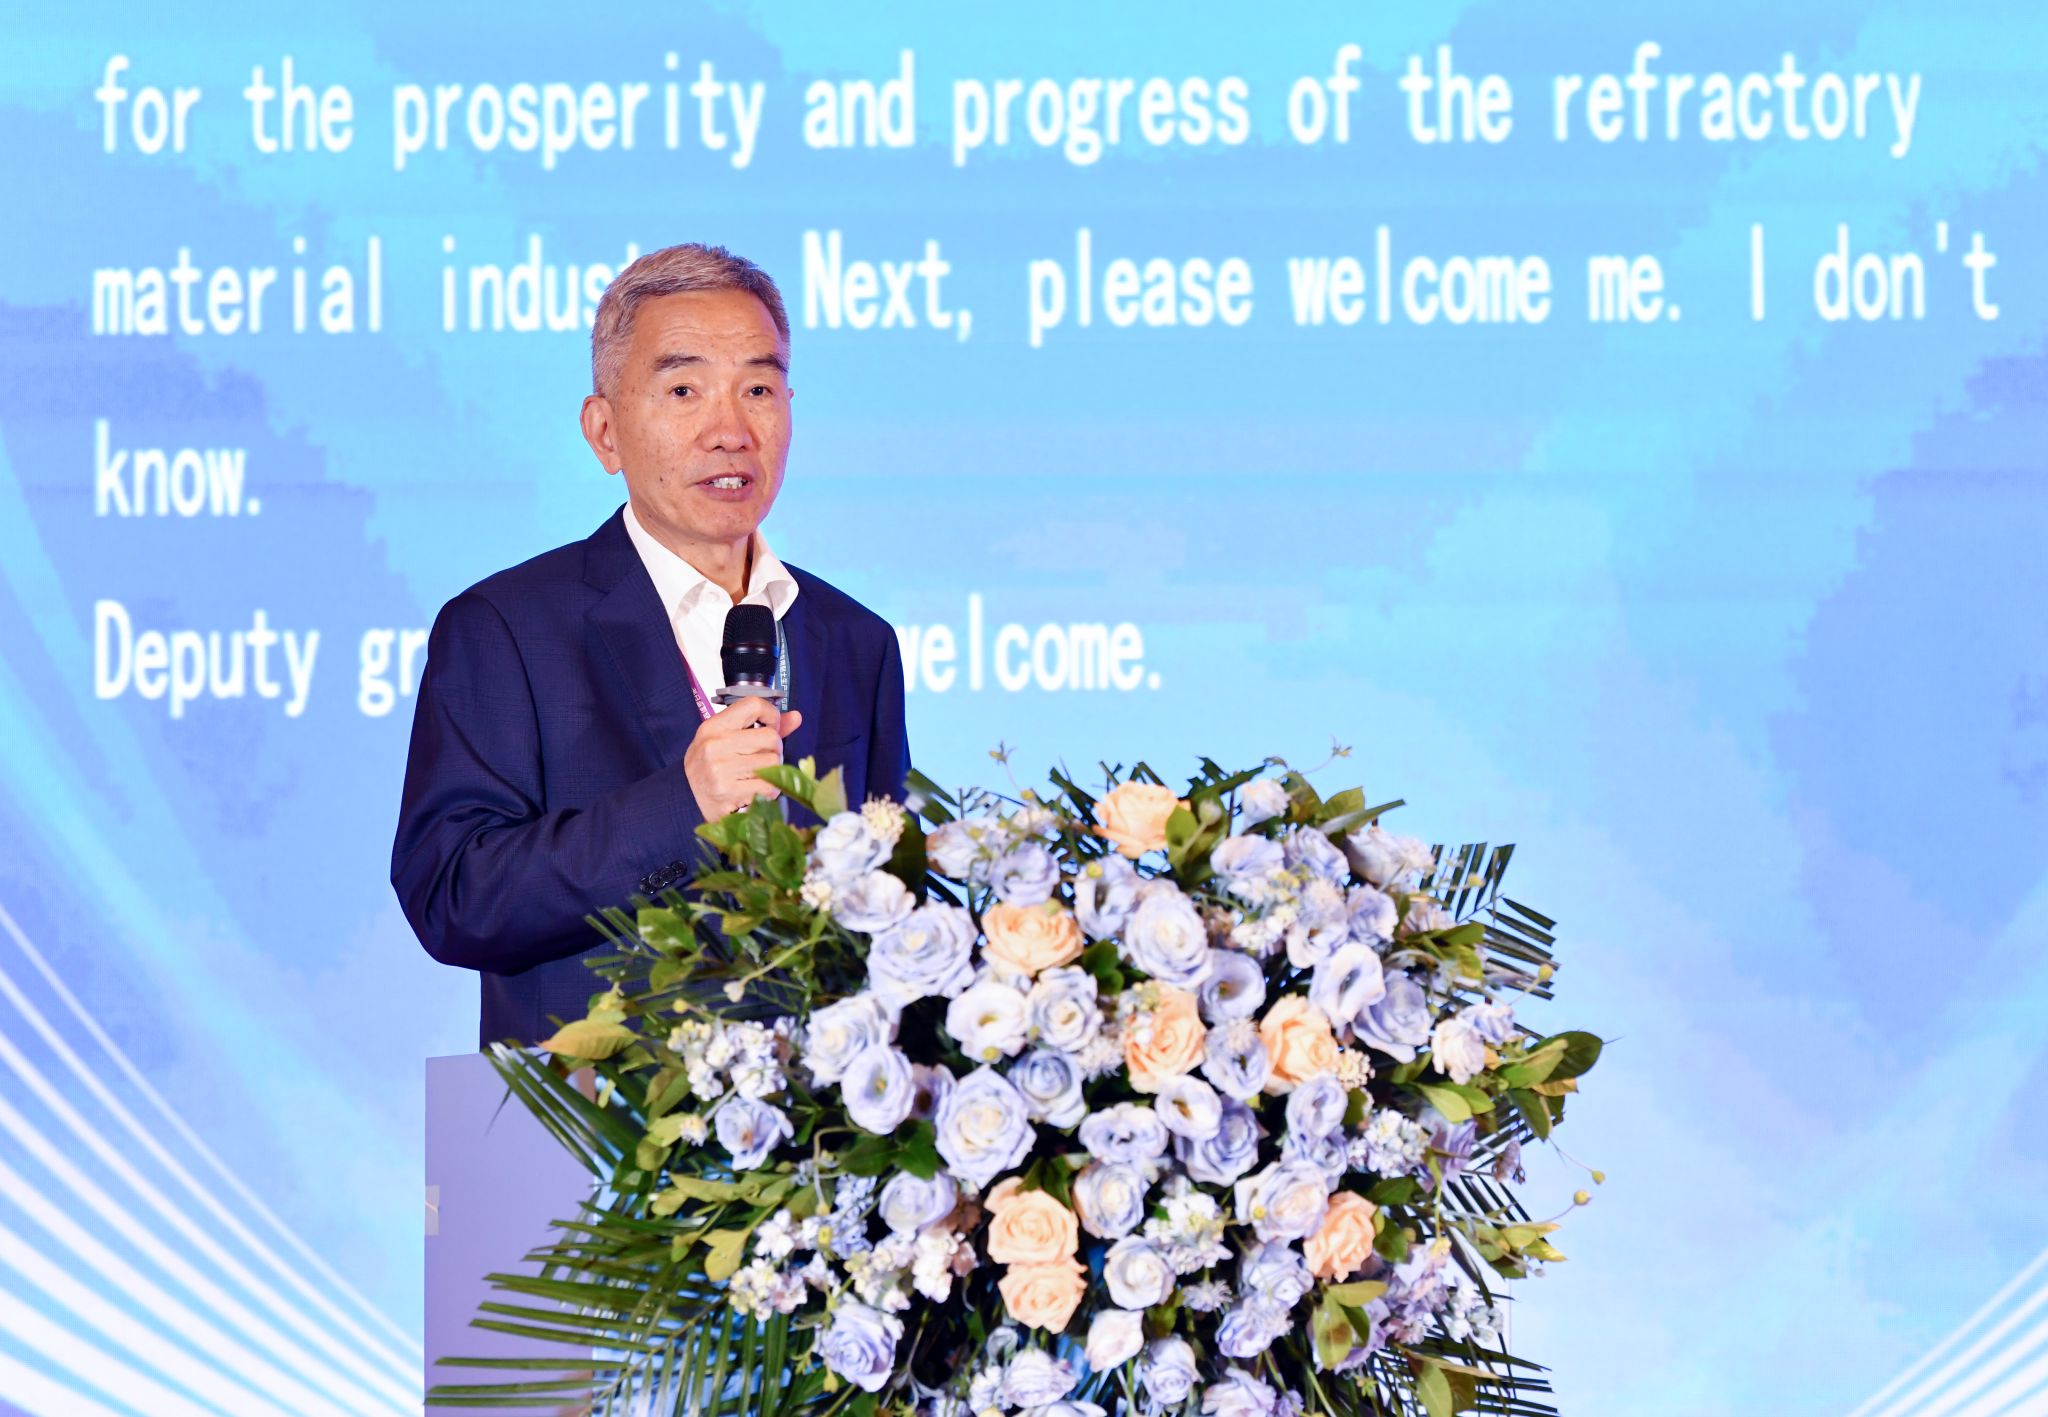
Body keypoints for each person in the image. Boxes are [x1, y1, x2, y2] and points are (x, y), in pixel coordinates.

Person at [391, 243, 910, 1048]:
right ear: (605, 432)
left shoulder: (853, 641)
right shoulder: (505, 628)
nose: (730, 431)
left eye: (758, 389)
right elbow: (452, 896)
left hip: (812, 1108)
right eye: (683, 390)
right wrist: (683, 804)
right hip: (584, 1110)